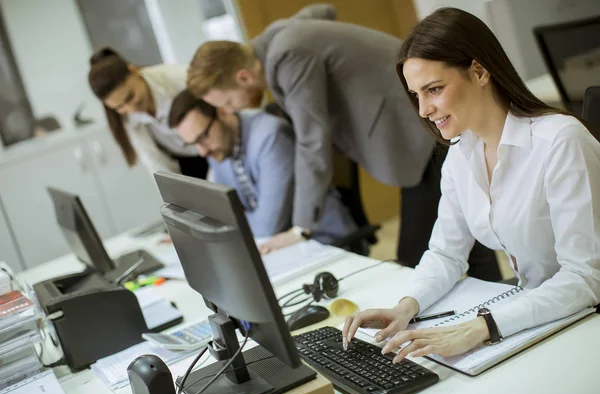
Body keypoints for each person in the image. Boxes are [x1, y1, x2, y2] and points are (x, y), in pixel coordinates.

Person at [343, 7, 600, 363]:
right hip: (538, 312)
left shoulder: (560, 141)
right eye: (416, 95)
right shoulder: (462, 153)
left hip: (586, 317)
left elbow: (585, 276)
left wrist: (481, 327)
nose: (423, 110)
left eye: (433, 90)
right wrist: (406, 306)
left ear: (479, 71)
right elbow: (447, 252)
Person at [186, 4, 501, 280]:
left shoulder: (287, 54)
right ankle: (495, 300)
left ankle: (491, 307)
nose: (230, 111)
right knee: (460, 229)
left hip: (413, 123)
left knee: (413, 258)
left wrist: (300, 229)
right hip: (408, 121)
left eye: (227, 101)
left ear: (242, 77)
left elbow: (312, 142)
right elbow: (323, 10)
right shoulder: (276, 38)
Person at [167, 89, 358, 243]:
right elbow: (223, 211)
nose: (202, 152)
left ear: (222, 111)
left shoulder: (270, 136)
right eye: (194, 143)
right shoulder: (217, 147)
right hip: (277, 247)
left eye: (203, 136)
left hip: (322, 240)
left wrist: (234, 219)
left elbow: (268, 225)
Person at [88, 47, 208, 179]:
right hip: (187, 162)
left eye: (130, 97)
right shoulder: (125, 117)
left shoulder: (179, 77)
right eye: (119, 107)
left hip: (216, 146)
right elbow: (153, 159)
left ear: (134, 71)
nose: (131, 108)